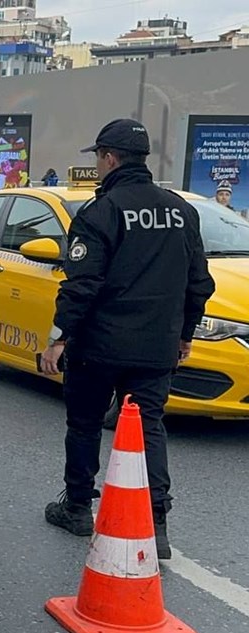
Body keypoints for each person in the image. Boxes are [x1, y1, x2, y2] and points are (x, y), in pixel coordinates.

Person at [39, 119, 215, 560]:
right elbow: (199, 282)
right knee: (147, 428)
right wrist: (185, 334)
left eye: (98, 157)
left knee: (83, 425)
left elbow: (81, 285)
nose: (98, 165)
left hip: (99, 347)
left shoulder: (100, 213)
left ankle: (78, 506)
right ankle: (156, 524)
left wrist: (59, 338)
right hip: (157, 347)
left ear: (110, 158)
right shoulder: (181, 211)